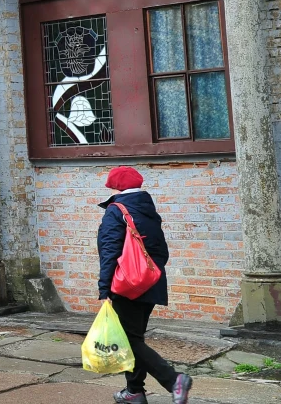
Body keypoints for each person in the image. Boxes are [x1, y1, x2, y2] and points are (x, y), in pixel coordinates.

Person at [98, 166, 192, 404]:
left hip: (126, 284)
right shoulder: (149, 210)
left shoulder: (115, 210)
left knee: (129, 340)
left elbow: (109, 251)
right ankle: (134, 391)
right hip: (150, 281)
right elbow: (162, 251)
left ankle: (174, 380)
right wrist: (148, 275)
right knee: (134, 338)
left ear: (116, 186)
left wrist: (104, 287)